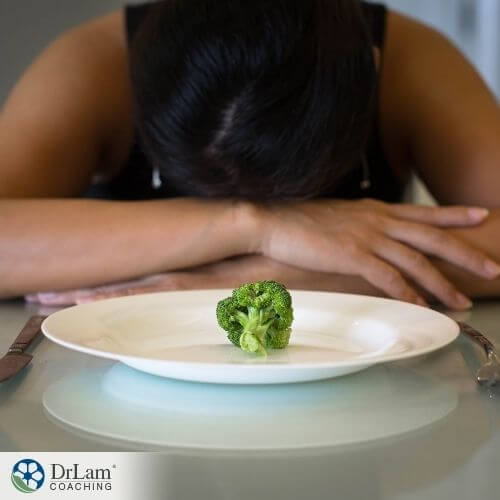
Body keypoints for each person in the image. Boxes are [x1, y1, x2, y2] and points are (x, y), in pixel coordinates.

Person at [1, 0, 500, 309]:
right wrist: (253, 226)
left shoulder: (410, 59)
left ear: (369, 73)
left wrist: (273, 276)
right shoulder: (94, 64)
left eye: (295, 200)